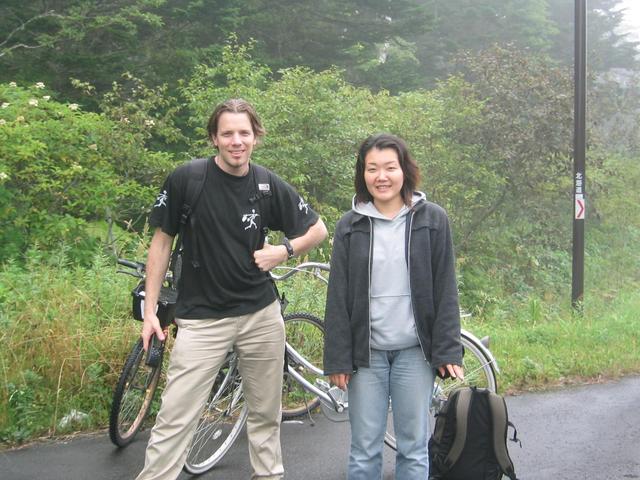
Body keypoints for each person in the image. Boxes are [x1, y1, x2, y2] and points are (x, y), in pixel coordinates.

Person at [136, 98, 328, 480]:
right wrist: (150, 310)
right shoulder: (187, 179)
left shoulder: (266, 184)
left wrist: (284, 251)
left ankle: (269, 474)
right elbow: (161, 243)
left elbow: (318, 230)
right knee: (175, 417)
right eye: (228, 133)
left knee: (264, 413)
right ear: (214, 138)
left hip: (260, 314)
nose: (236, 141)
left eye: (244, 133)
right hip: (202, 319)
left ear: (256, 136)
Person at [323, 133, 464, 480]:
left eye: (390, 167)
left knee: (413, 448)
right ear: (363, 174)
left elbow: (446, 288)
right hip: (365, 356)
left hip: (415, 353)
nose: (381, 177)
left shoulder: (432, 219)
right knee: (363, 450)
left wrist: (448, 350)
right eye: (372, 169)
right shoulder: (350, 225)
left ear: (405, 171)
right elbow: (338, 296)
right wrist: (337, 358)